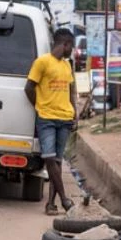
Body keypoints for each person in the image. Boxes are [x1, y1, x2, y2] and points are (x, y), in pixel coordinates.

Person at [25, 27, 79, 216]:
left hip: (65, 119)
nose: (72, 50)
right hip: (46, 118)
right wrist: (39, 106)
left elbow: (71, 90)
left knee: (56, 161)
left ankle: (51, 204)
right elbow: (29, 87)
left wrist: (75, 113)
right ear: (64, 44)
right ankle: (64, 200)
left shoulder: (66, 65)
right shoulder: (42, 62)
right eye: (71, 46)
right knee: (49, 158)